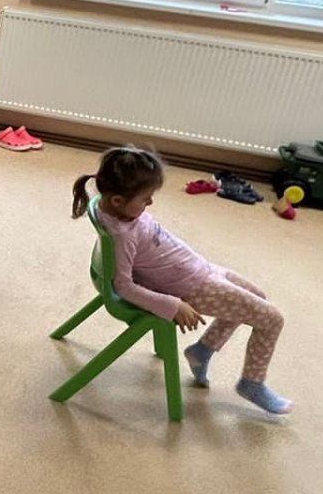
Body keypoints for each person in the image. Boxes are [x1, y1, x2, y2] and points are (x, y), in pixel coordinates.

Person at [70, 145, 292, 416]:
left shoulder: (118, 210)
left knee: (258, 297)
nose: (150, 204)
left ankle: (202, 350)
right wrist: (172, 305)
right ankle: (251, 383)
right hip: (193, 287)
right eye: (146, 199)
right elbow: (123, 286)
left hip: (200, 269)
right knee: (272, 319)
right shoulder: (122, 235)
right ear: (117, 200)